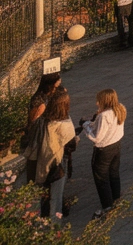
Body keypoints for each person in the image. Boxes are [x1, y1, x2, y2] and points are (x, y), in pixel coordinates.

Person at [82, 89, 126, 218]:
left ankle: (107, 206)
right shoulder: (121, 109)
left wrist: (85, 126)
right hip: (116, 146)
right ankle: (116, 199)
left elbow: (97, 137)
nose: (96, 103)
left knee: (101, 178)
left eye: (99, 100)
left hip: (103, 149)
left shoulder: (104, 116)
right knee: (113, 173)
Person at [35, 88, 76, 219]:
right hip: (57, 163)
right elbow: (71, 144)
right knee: (55, 199)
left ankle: (40, 223)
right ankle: (54, 231)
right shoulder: (65, 123)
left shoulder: (43, 120)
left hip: (41, 163)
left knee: (42, 196)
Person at [21, 72, 61, 185]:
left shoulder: (45, 96)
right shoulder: (40, 100)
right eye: (57, 82)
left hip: (41, 134)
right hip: (37, 136)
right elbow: (34, 120)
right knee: (34, 163)